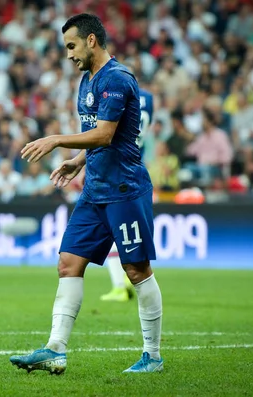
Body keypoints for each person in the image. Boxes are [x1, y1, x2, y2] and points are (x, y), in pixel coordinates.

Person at [10, 14, 163, 374]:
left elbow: (107, 134)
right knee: (68, 262)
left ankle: (152, 356)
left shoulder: (118, 79)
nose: (68, 54)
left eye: (72, 46)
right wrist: (78, 161)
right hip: (95, 189)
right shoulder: (87, 80)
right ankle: (55, 349)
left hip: (124, 189)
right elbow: (96, 134)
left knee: (136, 270)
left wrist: (57, 140)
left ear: (92, 40)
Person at [101, 86, 155, 303]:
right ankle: (125, 279)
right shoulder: (149, 98)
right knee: (128, 231)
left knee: (109, 231)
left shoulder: (115, 93)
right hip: (137, 166)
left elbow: (107, 131)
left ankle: (120, 285)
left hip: (116, 168)